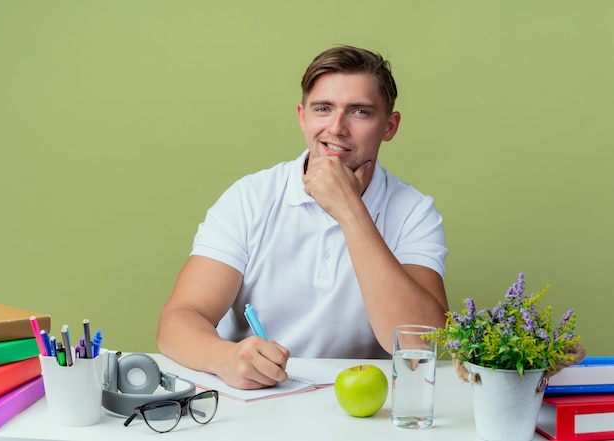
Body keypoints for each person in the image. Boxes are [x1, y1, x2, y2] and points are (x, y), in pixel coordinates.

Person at [157, 45, 449, 390]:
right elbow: (178, 320)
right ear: (302, 117)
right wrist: (223, 357)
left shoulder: (414, 211)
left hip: (364, 408)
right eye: (323, 109)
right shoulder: (250, 197)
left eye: (359, 112)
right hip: (258, 399)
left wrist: (350, 211)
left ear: (389, 126)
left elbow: (421, 346)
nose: (337, 128)